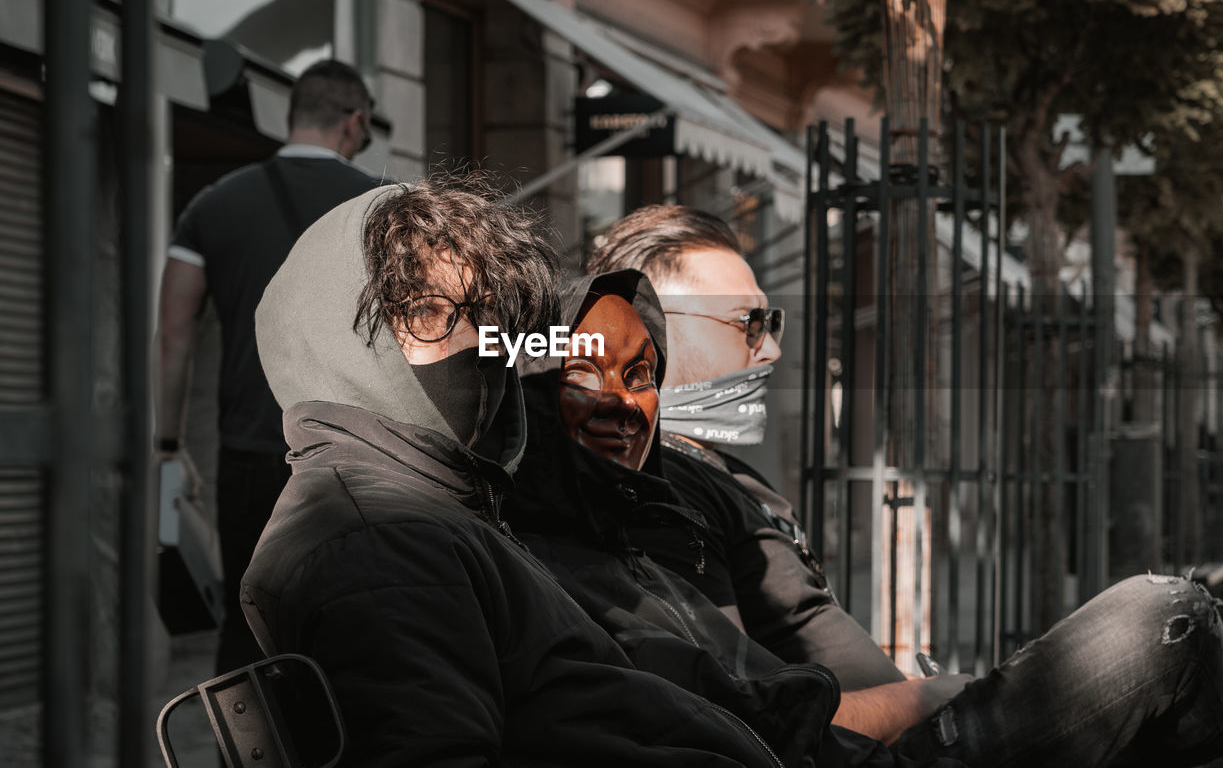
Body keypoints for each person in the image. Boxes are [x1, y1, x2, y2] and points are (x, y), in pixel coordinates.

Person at [586, 204, 1223, 767]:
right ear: (652, 334)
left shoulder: (716, 470)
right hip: (904, 750)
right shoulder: (657, 483)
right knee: (1165, 612)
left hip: (923, 727)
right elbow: (745, 711)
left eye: (774, 322)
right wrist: (923, 697)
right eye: (750, 323)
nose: (771, 348)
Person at [237, 179, 802, 767]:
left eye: (488, 316)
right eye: (426, 312)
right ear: (338, 339)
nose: (475, 341)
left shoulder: (445, 510)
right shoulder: (380, 540)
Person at [509, 269, 967, 765]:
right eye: (580, 372)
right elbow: (762, 720)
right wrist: (924, 699)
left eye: (641, 374)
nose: (623, 403)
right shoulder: (540, 580)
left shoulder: (640, 561)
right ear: (529, 388)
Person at [154, 59, 382, 673]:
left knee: (248, 620)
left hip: (251, 449)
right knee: (345, 618)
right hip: (353, 452)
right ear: (353, 123)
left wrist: (169, 443)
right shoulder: (381, 206)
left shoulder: (213, 206)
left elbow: (173, 333)